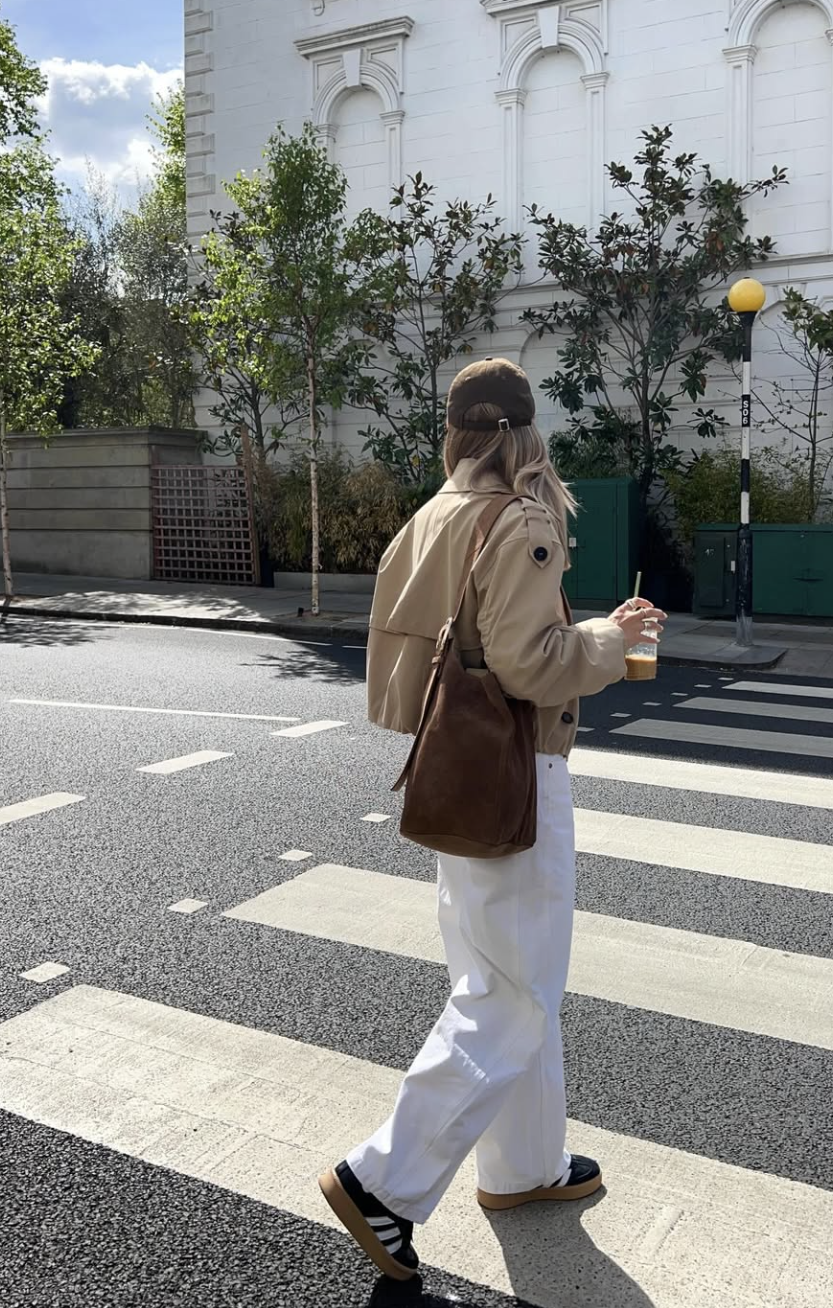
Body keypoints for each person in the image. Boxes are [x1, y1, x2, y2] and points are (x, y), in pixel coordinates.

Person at [319, 357, 665, 1282]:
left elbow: (412, 664)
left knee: (508, 979)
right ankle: (381, 1182)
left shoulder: (433, 514)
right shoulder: (521, 518)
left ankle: (524, 1168)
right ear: (523, 431)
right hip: (518, 774)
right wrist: (610, 640)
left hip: (456, 772)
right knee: (511, 997)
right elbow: (530, 664)